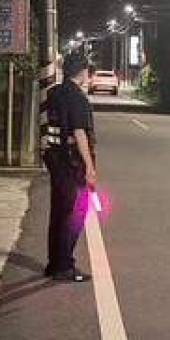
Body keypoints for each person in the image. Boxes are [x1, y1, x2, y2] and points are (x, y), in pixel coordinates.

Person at [40, 52, 97, 283]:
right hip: (72, 162)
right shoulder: (77, 98)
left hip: (54, 158)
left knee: (58, 212)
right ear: (82, 72)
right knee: (76, 213)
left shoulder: (53, 93)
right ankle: (64, 265)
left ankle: (54, 263)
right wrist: (90, 167)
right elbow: (80, 133)